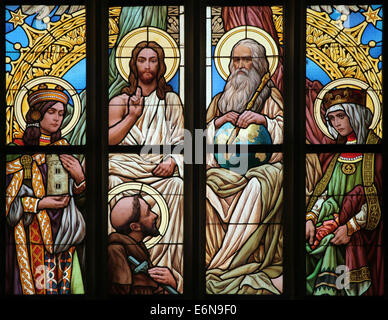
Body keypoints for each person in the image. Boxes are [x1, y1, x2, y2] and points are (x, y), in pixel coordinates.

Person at [205, 38, 284, 294]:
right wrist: (217, 124)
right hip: (219, 171)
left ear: (259, 63)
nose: (239, 66)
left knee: (256, 184)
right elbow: (194, 146)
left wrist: (263, 120)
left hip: (262, 170)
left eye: (246, 59)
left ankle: (227, 264)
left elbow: (292, 140)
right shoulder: (219, 101)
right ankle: (209, 262)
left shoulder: (271, 97)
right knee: (193, 186)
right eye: (235, 60)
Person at [108, 40, 184, 292]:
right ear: (133, 64)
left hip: (159, 171)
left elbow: (184, 141)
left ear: (161, 66)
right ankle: (117, 266)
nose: (147, 66)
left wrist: (173, 161)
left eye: (153, 60)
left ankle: (167, 266)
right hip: (124, 168)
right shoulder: (120, 100)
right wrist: (132, 115)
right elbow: (106, 140)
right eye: (142, 60)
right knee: (111, 181)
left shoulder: (171, 101)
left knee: (177, 187)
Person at [5, 84, 86, 295]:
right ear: (35, 113)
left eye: (61, 113)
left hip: (63, 233)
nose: (57, 118)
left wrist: (79, 178)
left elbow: (84, 203)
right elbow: (7, 199)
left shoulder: (66, 148)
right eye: (51, 112)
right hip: (27, 233)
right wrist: (40, 204)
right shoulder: (15, 151)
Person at [305, 88, 383, 296]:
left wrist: (350, 227)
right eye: (331, 119)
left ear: (356, 113)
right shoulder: (338, 152)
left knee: (332, 247)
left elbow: (376, 201)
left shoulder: (376, 150)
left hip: (363, 233)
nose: (336, 123)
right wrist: (310, 218)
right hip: (331, 222)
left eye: (341, 116)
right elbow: (325, 192)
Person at [108, 195, 177, 294]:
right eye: (148, 213)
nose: (155, 215)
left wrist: (170, 284)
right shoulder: (116, 250)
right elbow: (121, 291)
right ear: (135, 226)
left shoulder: (137, 247)